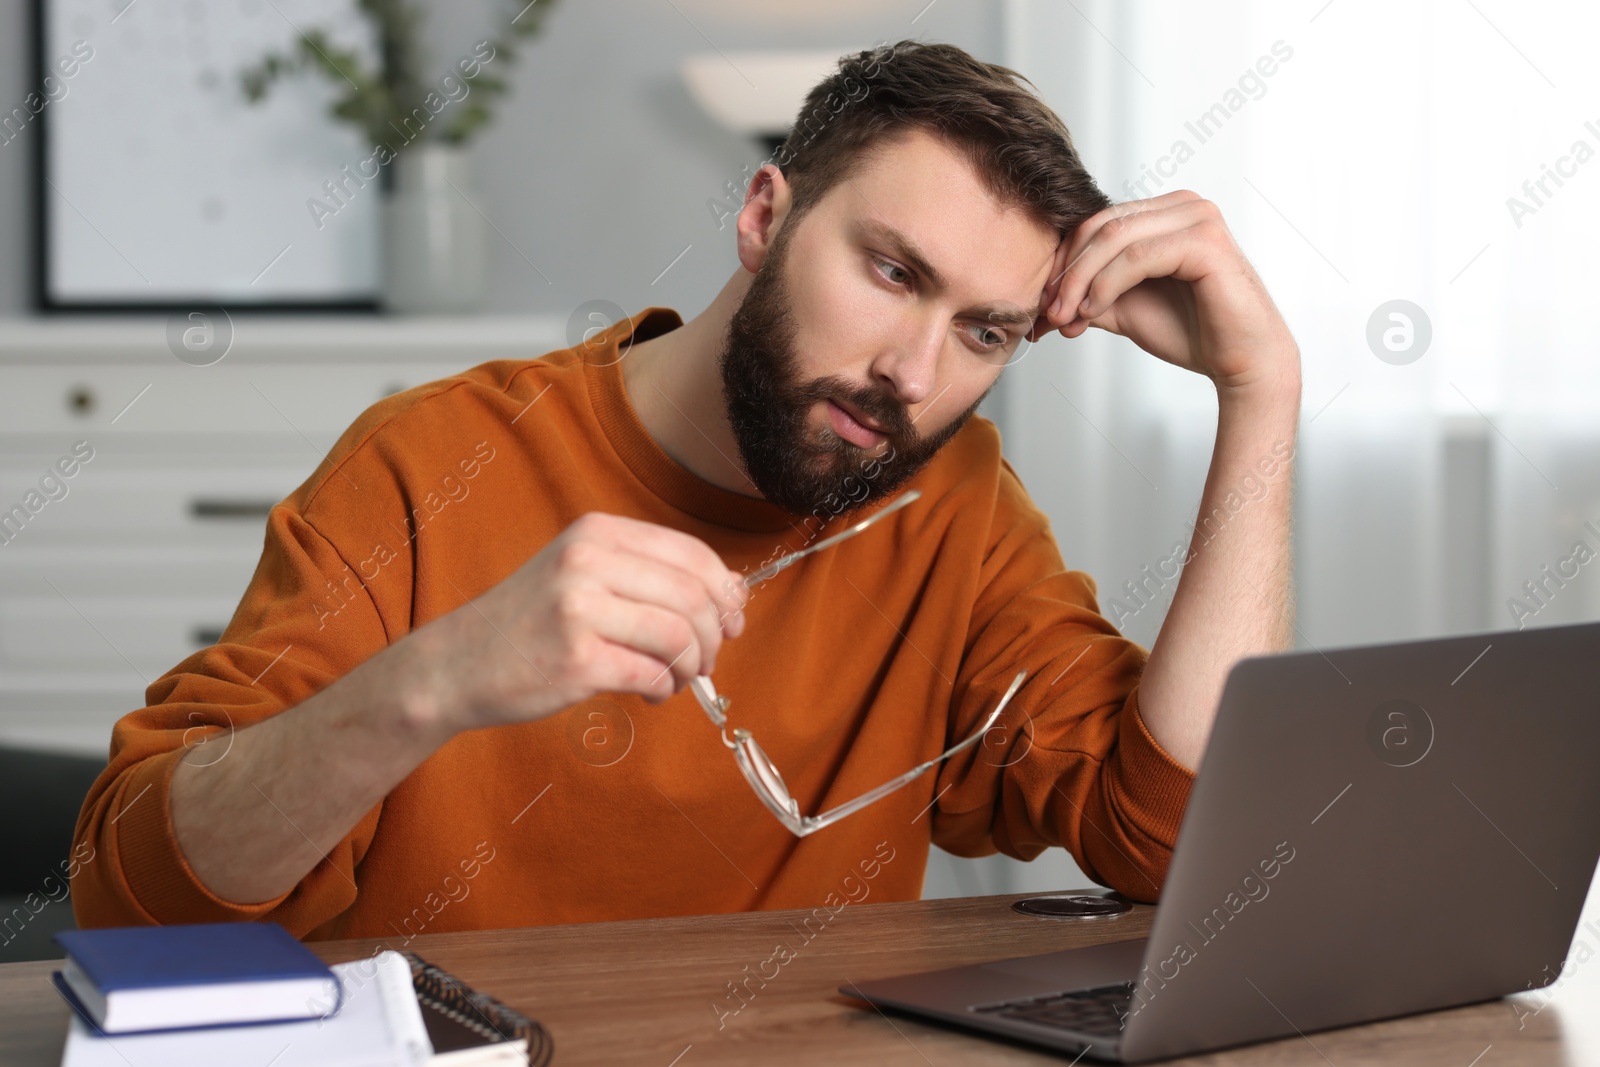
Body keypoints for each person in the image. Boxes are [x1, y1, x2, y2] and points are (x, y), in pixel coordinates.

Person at [71, 40, 1300, 942]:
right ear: (763, 217)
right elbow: (143, 901)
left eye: (984, 333)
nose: (910, 373)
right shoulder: (425, 461)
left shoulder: (955, 505)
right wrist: (434, 681)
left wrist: (1259, 395)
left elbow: (1175, 840)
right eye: (888, 270)